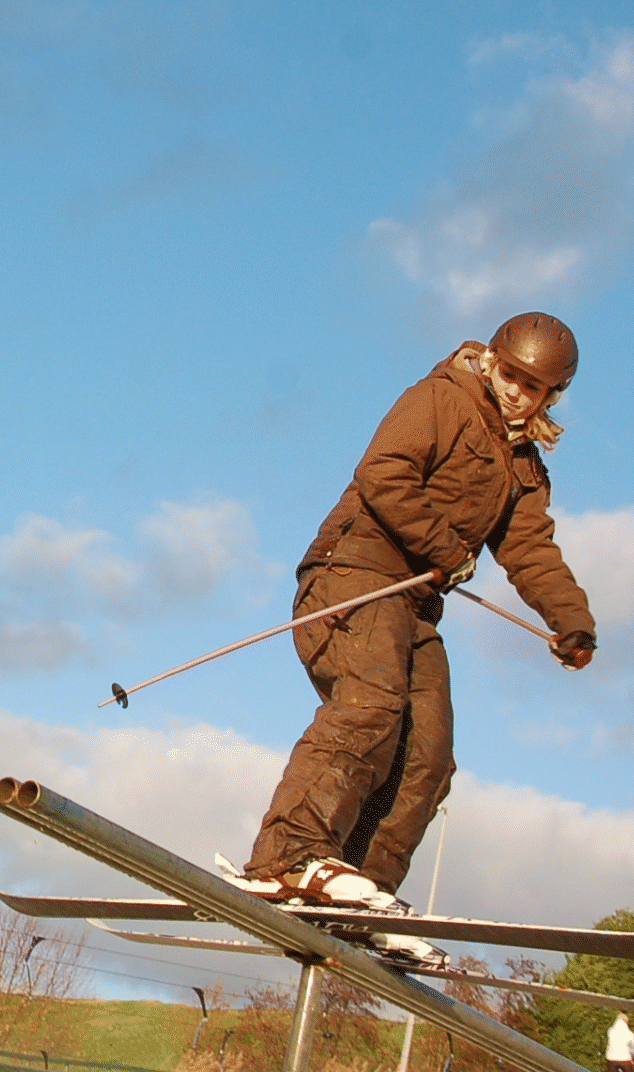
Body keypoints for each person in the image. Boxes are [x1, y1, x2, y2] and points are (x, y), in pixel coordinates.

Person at [232, 312, 596, 909]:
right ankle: (288, 857)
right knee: (371, 704)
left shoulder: (523, 465)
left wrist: (572, 621)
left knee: (429, 754)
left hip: (417, 605)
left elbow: (530, 548)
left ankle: (361, 889)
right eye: (509, 375)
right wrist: (447, 550)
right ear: (492, 361)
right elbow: (384, 473)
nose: (515, 391)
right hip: (353, 576)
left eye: (532, 387)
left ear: (550, 395)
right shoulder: (441, 399)